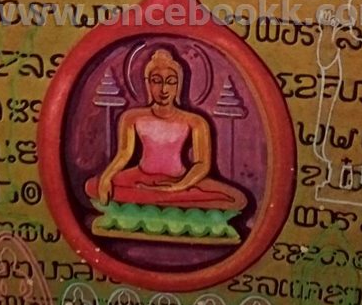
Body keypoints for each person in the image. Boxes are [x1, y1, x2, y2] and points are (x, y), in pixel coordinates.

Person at [87, 48, 246, 211]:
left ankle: (160, 198)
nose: (164, 89)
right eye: (157, 81)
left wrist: (178, 186)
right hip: (140, 177)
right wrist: (106, 177)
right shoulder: (132, 117)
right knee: (93, 186)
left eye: (170, 82)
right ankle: (163, 199)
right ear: (148, 84)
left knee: (236, 199)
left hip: (179, 179)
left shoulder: (196, 121)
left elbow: (202, 164)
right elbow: (124, 154)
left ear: (179, 85)